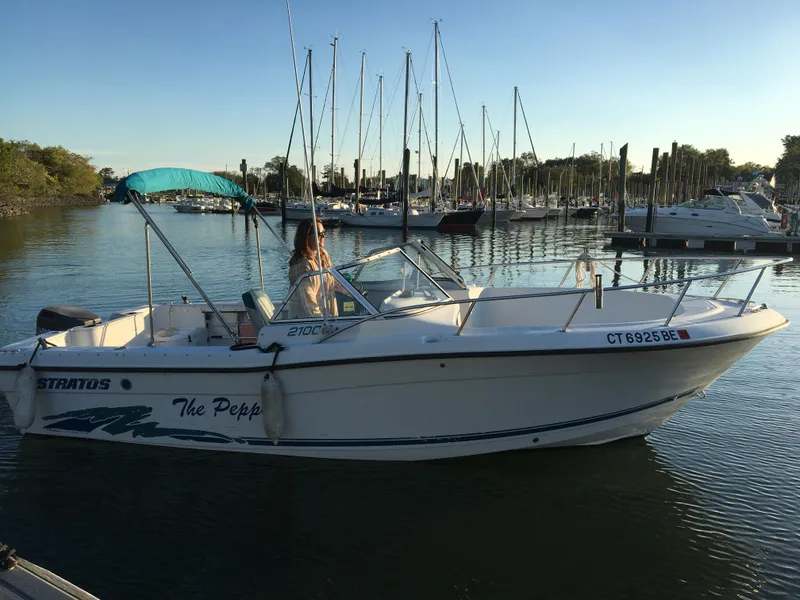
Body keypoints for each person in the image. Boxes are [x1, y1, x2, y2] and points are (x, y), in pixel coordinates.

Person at [288, 218, 340, 318]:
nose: (324, 236)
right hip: (308, 324)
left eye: (324, 232)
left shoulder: (323, 254)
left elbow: (333, 282)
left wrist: (354, 291)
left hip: (330, 319)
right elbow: (310, 306)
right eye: (320, 234)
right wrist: (324, 323)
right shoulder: (301, 266)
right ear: (307, 237)